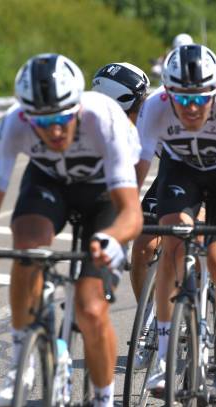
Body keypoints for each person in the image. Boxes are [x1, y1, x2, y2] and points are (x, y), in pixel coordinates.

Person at [0, 53, 143, 407]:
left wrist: (110, 239)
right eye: (42, 122)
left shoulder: (105, 118)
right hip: (49, 184)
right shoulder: (14, 123)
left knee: (90, 309)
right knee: (26, 246)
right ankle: (20, 352)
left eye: (61, 119)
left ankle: (102, 399)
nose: (54, 130)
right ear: (26, 114)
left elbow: (130, 213)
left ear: (76, 107)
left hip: (103, 192)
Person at [135, 44, 216, 407]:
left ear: (215, 92)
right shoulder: (155, 107)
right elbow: (135, 176)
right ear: (168, 93)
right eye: (182, 98)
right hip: (181, 174)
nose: (191, 107)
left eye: (200, 98)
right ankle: (163, 354)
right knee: (173, 241)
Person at [91, 62, 154, 300]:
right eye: (141, 102)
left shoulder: (154, 115)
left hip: (190, 170)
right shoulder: (108, 130)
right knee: (143, 248)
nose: (147, 105)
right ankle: (145, 321)